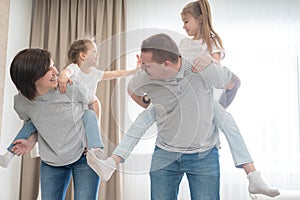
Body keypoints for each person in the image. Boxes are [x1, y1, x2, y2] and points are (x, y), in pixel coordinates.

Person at [93, 1, 280, 198]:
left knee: (228, 122)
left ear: (200, 19)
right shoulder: (182, 46)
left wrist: (209, 66)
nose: (183, 26)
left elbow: (225, 75)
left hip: (206, 102)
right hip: (173, 114)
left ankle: (252, 174)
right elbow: (155, 77)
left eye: (186, 21)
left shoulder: (212, 43)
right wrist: (151, 100)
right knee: (144, 118)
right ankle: (113, 161)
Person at [0, 37, 139, 175]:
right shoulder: (72, 71)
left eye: (53, 67)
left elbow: (114, 75)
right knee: (30, 124)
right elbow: (67, 71)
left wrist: (134, 70)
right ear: (83, 55)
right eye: (94, 51)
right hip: (61, 137)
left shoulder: (92, 75)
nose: (98, 55)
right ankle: (9, 153)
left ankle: (95, 152)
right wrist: (63, 76)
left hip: (84, 114)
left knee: (90, 117)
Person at [9, 48, 100, 199]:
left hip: (83, 157)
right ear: (31, 78)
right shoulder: (21, 102)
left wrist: (92, 139)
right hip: (52, 160)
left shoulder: (69, 86)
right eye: (48, 69)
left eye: (53, 66)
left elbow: (94, 103)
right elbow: (35, 123)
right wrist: (30, 141)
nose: (55, 71)